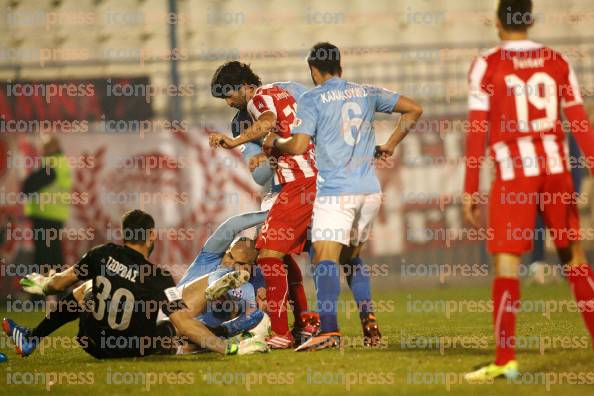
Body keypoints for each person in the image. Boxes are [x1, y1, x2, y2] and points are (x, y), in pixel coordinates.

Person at [462, 0, 594, 381]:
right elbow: (579, 121)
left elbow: (477, 129)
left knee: (507, 264)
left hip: (514, 172)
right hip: (555, 168)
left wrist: (471, 188)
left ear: (499, 24)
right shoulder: (556, 59)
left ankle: (506, 360)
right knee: (574, 259)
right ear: (530, 20)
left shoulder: (487, 63)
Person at [263, 42, 422, 351]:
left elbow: (296, 147)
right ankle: (370, 324)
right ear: (340, 66)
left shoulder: (312, 98)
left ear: (313, 70)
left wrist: (274, 140)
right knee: (352, 258)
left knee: (324, 259)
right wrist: (390, 144)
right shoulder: (365, 92)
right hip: (370, 192)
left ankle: (330, 330)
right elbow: (414, 109)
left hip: (336, 192)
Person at [3, 209, 266, 358]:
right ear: (151, 236)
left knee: (88, 288)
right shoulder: (160, 278)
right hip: (138, 346)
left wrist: (44, 284)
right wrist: (228, 348)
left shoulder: (100, 254)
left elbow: (60, 284)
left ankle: (33, 337)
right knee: (174, 327)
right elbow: (185, 323)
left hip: (92, 343)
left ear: (124, 233)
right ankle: (224, 331)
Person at [209, 62, 318, 349]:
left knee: (272, 256)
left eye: (229, 95)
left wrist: (237, 142)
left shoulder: (255, 105)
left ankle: (293, 327)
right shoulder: (289, 90)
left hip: (296, 184)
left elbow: (267, 127)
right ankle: (309, 324)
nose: (229, 103)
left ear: (245, 86)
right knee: (305, 256)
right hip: (315, 177)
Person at [22, 134, 72, 277]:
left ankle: (37, 296)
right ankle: (64, 295)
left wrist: (26, 182)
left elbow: (29, 186)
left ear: (53, 147)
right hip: (54, 217)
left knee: (42, 258)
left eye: (44, 146)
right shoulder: (61, 163)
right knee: (55, 258)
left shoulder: (52, 164)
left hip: (45, 217)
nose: (42, 149)